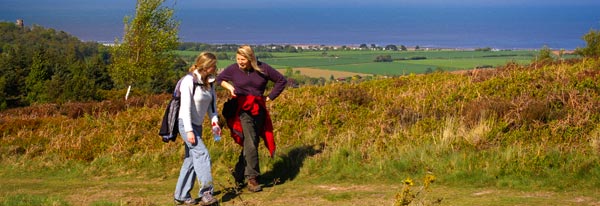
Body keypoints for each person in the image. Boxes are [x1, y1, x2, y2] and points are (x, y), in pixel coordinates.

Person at [216, 45, 287, 192]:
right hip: (242, 109)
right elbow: (220, 79)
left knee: (252, 141)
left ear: (251, 58)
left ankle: (238, 173)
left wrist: (270, 97)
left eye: (243, 59)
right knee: (250, 141)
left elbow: (281, 81)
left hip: (259, 108)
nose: (240, 62)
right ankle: (252, 178)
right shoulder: (233, 69)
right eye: (238, 59)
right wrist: (230, 88)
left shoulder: (263, 68)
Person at [174, 52, 221, 205]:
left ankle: (181, 195)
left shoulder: (210, 82)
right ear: (206, 66)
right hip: (185, 124)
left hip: (197, 125)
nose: (215, 68)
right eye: (213, 65)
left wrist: (215, 124)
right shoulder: (188, 81)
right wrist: (188, 130)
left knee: (191, 160)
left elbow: (212, 108)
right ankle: (206, 193)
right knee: (202, 154)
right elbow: (185, 108)